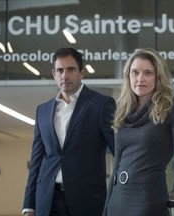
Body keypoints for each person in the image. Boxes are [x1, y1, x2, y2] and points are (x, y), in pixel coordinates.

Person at [22, 47, 116, 216]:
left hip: (87, 200)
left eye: (70, 69)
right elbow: (36, 161)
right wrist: (29, 204)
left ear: (82, 72)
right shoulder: (42, 110)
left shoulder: (101, 104)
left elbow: (119, 151)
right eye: (60, 70)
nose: (64, 75)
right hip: (47, 199)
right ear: (54, 74)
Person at [102, 48, 174, 216]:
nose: (140, 79)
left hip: (148, 201)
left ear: (158, 77)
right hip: (118, 201)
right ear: (128, 76)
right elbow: (117, 166)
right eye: (135, 72)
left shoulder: (173, 109)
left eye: (148, 73)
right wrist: (106, 209)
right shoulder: (122, 112)